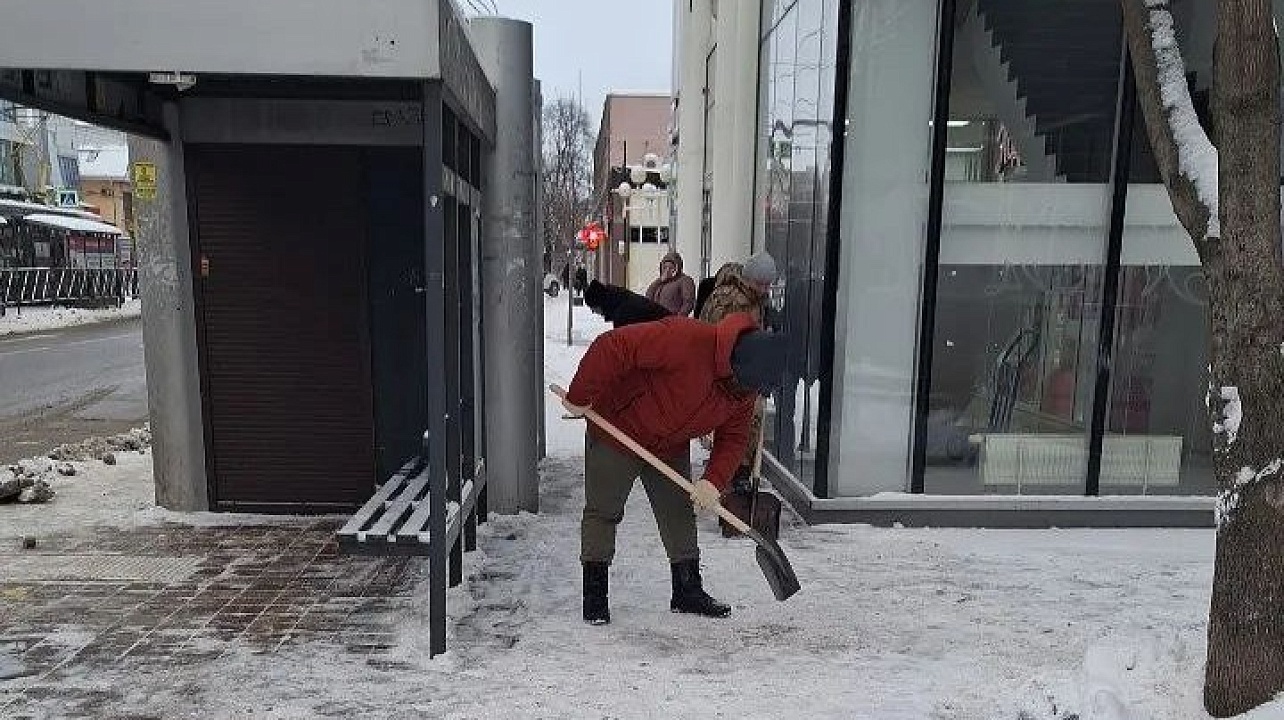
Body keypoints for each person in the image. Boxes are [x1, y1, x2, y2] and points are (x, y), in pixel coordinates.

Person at [561, 313, 787, 625]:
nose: (748, 395)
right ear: (738, 366)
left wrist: (712, 481)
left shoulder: (742, 392)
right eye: (749, 387)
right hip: (616, 429)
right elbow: (612, 346)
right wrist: (579, 397)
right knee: (604, 511)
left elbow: (733, 438)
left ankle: (687, 591)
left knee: (679, 511)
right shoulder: (685, 339)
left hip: (670, 444)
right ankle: (595, 596)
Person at [697, 252, 780, 537]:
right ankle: (730, 481)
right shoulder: (728, 300)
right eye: (762, 284)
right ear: (750, 279)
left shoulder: (757, 300)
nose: (766, 290)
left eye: (769, 286)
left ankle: (740, 479)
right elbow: (715, 340)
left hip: (747, 376)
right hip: (729, 377)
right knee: (734, 430)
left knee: (749, 428)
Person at [583, 279, 671, 328]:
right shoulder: (619, 299)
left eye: (593, 308)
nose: (593, 312)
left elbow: (626, 346)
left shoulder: (622, 313)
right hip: (669, 325)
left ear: (599, 303)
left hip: (669, 330)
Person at [645, 251, 696, 316]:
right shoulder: (660, 282)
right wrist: (659, 280)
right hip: (657, 319)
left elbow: (688, 302)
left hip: (673, 320)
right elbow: (648, 296)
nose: (667, 270)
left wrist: (679, 317)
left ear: (677, 268)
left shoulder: (685, 280)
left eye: (671, 267)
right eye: (665, 267)